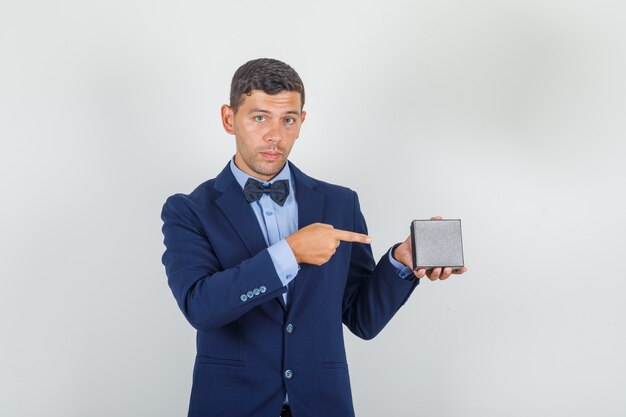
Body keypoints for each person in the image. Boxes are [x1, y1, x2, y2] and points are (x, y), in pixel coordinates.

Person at [160, 58, 467, 417]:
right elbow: (201, 307)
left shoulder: (340, 202)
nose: (275, 135)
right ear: (229, 119)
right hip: (232, 406)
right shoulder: (189, 210)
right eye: (259, 117)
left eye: (287, 119)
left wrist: (401, 261)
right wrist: (290, 253)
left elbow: (361, 318)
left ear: (301, 122)